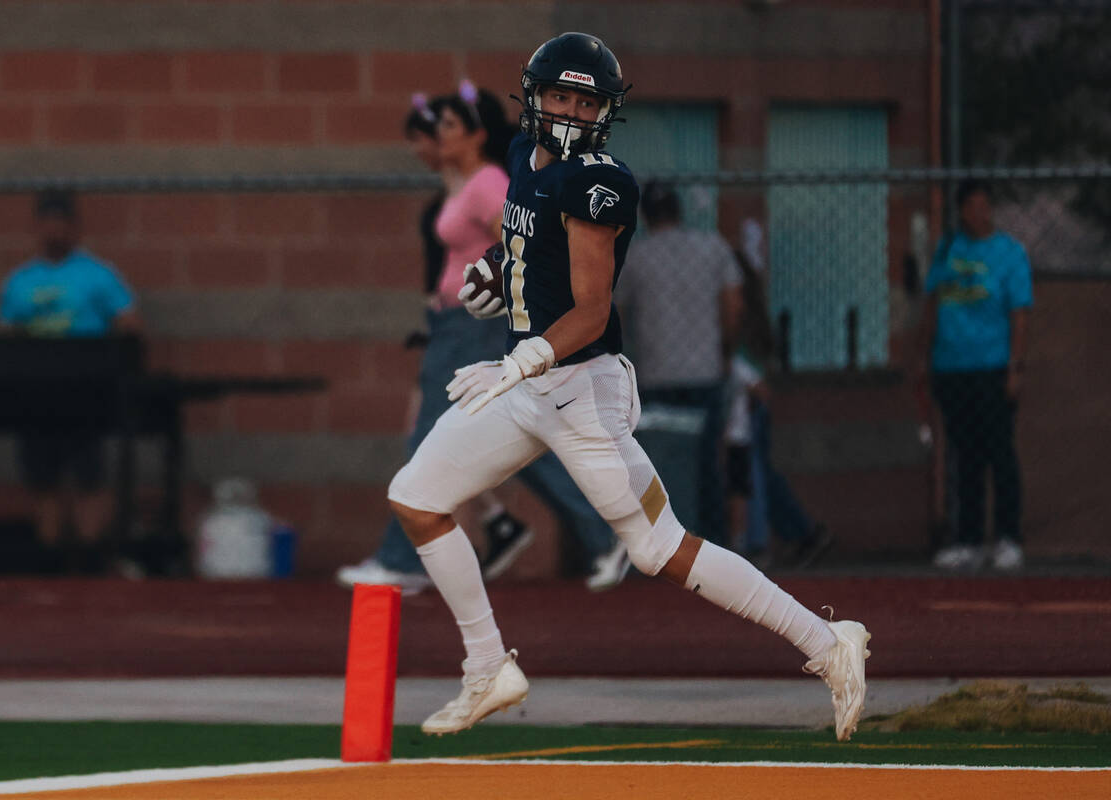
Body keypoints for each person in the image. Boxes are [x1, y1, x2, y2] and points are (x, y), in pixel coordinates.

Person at [386, 32, 870, 742]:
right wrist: (496, 273)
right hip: (529, 383)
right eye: (562, 97)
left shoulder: (599, 182)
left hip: (580, 389)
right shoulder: (523, 157)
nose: (574, 113)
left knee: (658, 550)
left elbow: (591, 310)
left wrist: (521, 358)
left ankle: (830, 645)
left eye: (588, 102)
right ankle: (488, 667)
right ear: (535, 96)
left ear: (605, 111)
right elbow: (525, 244)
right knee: (417, 499)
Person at [336, 85, 626, 593]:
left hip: (477, 326)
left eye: (449, 125)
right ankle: (606, 534)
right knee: (522, 439)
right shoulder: (468, 182)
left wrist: (490, 288)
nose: (436, 134)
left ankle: (402, 560)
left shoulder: (488, 181)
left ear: (478, 133)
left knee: (429, 432)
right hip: (453, 324)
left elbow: (521, 243)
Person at [0, 188, 141, 572]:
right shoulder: (20, 281)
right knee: (42, 479)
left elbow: (129, 324)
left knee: (90, 477)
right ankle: (51, 562)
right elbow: (9, 335)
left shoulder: (98, 274)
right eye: (47, 221)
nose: (54, 229)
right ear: (37, 226)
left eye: (62, 221)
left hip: (85, 391)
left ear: (75, 226)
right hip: (36, 393)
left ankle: (90, 560)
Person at [615, 181, 742, 545]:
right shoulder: (712, 247)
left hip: (656, 372)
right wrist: (726, 351)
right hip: (704, 371)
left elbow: (618, 315)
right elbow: (734, 305)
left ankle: (666, 542)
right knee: (707, 463)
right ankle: (715, 544)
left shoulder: (636, 257)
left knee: (658, 464)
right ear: (679, 210)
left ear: (646, 217)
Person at [919, 179, 1032, 572]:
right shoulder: (949, 250)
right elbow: (931, 303)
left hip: (992, 368)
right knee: (963, 455)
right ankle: (967, 539)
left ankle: (1008, 538)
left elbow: (1020, 313)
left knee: (998, 453)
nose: (978, 213)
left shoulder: (1009, 254)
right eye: (971, 206)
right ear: (962, 211)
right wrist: (926, 358)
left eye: (984, 205)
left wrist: (1014, 367)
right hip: (952, 368)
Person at [725, 256, 833, 568]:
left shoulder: (736, 315)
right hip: (751, 403)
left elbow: (738, 363)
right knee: (759, 473)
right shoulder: (753, 313)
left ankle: (764, 541)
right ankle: (803, 533)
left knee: (750, 474)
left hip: (746, 402)